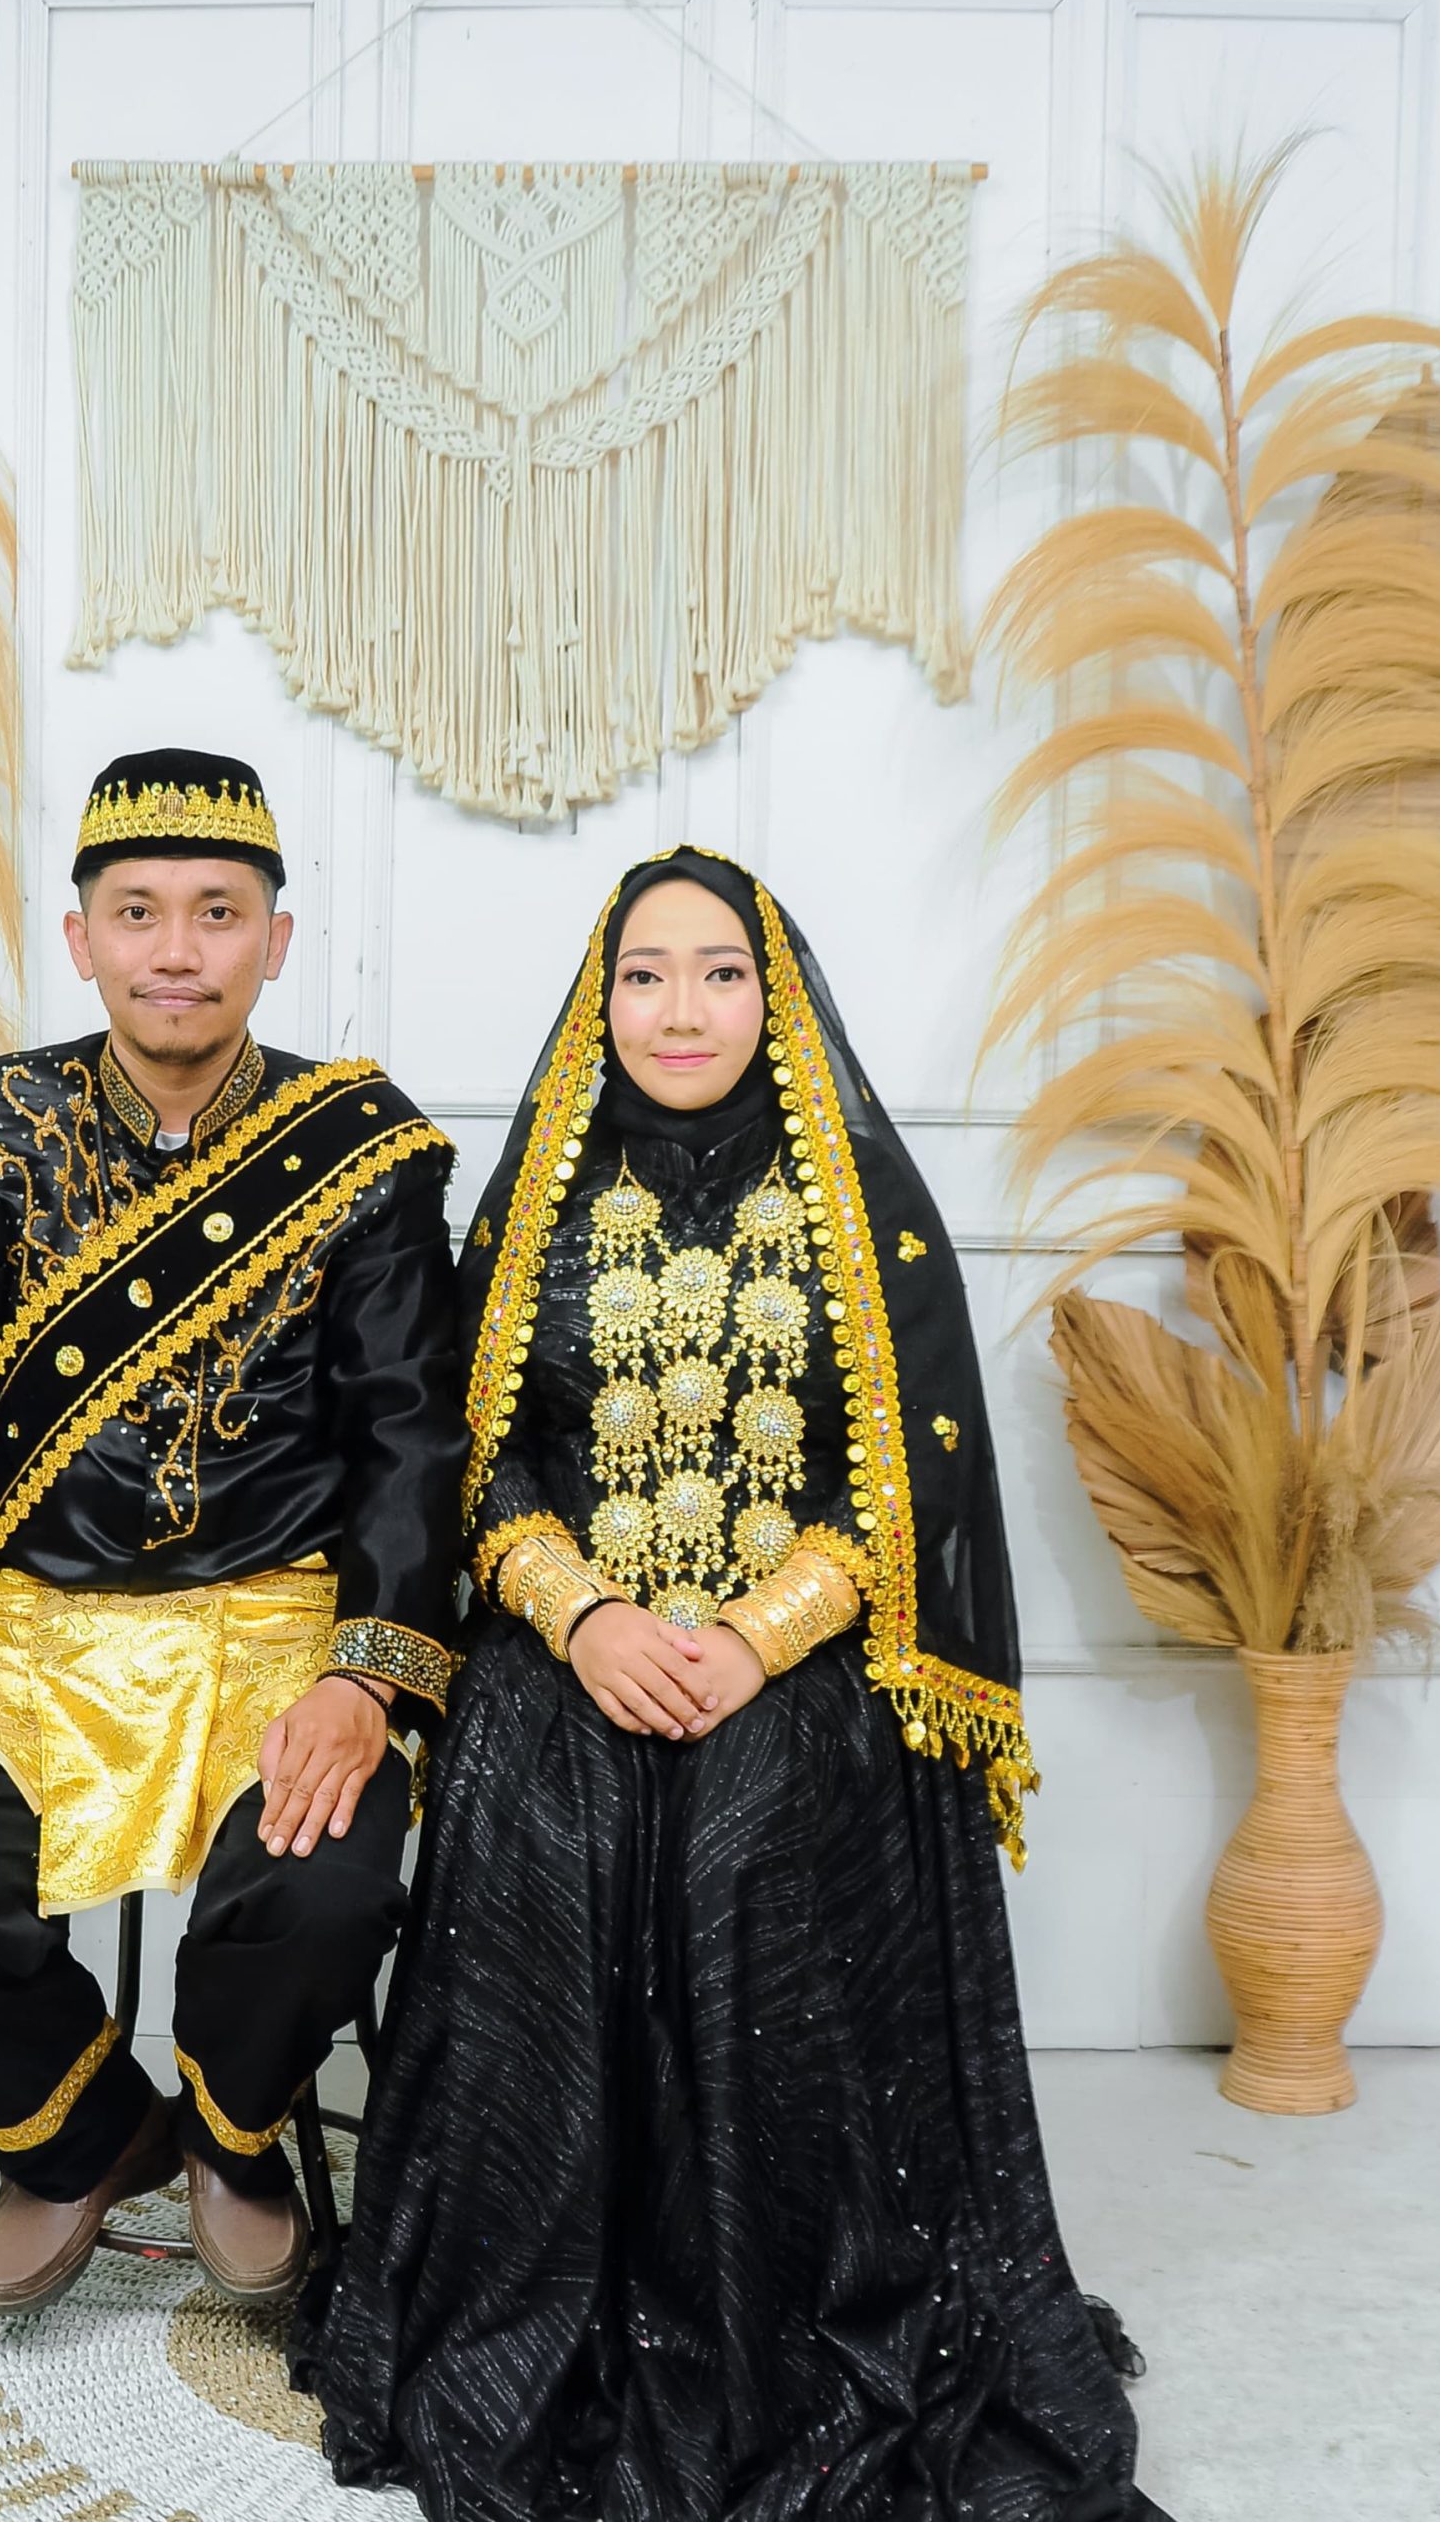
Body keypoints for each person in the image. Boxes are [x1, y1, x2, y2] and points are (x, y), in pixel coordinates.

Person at [296, 849, 1165, 2522]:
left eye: (718, 973)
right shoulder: (541, 1198)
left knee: (747, 1834)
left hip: (800, 1650)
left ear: (777, 1000)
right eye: (645, 974)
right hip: (578, 1634)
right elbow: (478, 1464)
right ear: (600, 1000)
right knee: (549, 1815)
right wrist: (582, 1616)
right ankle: (540, 2290)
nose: (679, 1008)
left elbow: (903, 1482)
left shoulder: (855, 1202)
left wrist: (762, 1634)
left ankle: (776, 2312)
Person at [0, 748, 466, 2317]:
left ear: (276, 942)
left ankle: (234, 2138)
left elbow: (410, 1434)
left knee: (325, 1890)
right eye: (139, 912)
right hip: (31, 1632)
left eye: (218, 913)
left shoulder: (361, 1148)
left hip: (280, 1626)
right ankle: (83, 2137)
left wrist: (366, 1678)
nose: (178, 949)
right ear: (82, 936)